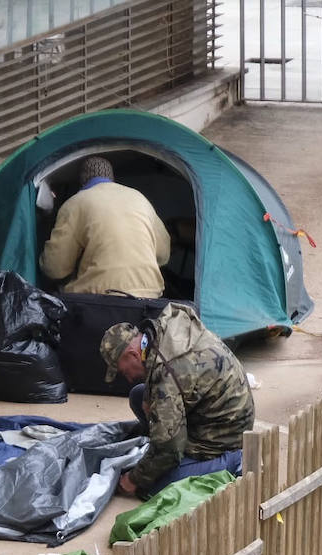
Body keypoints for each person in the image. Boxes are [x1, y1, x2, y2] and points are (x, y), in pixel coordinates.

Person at [99, 303, 253, 498]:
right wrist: (151, 399)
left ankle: (233, 462)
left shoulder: (167, 373)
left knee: (154, 487)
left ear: (133, 355)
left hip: (225, 437)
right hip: (216, 412)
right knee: (138, 395)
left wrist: (134, 479)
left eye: (123, 371)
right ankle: (162, 445)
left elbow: (170, 449)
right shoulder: (161, 333)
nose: (127, 377)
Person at [39, 155, 171, 298]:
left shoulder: (76, 203)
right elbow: (163, 255)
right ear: (111, 178)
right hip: (149, 295)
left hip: (98, 298)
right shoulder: (139, 198)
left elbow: (55, 269)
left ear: (82, 181)